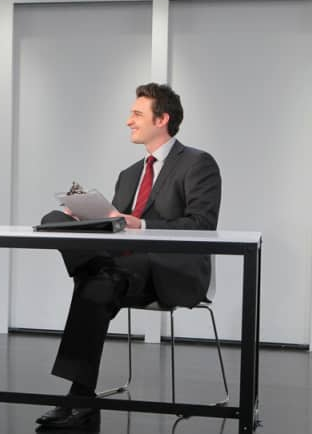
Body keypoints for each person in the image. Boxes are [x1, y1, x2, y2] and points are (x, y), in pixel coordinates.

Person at [36, 83, 222, 431]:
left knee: (100, 279)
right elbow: (116, 227)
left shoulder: (198, 164)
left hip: (170, 271)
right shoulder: (130, 174)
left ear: (162, 118)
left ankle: (79, 399)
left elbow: (203, 225)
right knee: (54, 221)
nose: (128, 121)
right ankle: (80, 399)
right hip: (122, 267)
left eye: (137, 114)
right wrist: (88, 218)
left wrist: (143, 224)